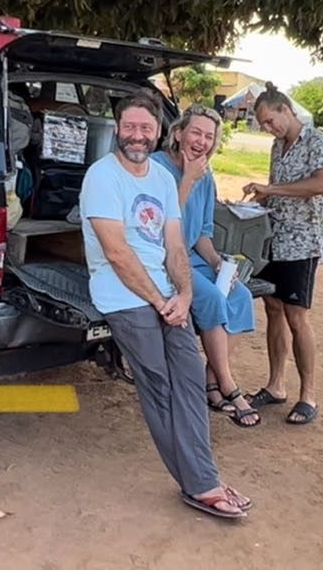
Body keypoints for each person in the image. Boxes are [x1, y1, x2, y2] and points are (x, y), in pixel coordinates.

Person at [79, 91, 251, 519]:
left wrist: (186, 294)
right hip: (123, 294)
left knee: (191, 378)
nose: (138, 135)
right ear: (118, 129)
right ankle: (201, 484)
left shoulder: (159, 179)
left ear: (159, 133)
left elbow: (175, 245)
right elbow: (117, 254)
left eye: (146, 128)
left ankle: (203, 475)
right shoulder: (102, 177)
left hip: (166, 295)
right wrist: (160, 300)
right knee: (160, 385)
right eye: (130, 127)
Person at [150, 104, 259, 428]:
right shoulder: (157, 167)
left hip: (195, 257)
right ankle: (228, 385)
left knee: (238, 296)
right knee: (211, 297)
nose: (201, 141)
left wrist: (217, 262)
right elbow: (158, 224)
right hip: (164, 257)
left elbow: (203, 234)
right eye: (195, 132)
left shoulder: (206, 175)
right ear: (179, 132)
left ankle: (211, 382)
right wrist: (187, 179)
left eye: (208, 136)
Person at [242, 82, 323, 425]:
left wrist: (273, 189)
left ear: (286, 109)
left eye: (271, 120)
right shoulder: (276, 147)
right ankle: (276, 384)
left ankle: (308, 395)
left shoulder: (318, 140)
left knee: (297, 317)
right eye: (264, 125)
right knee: (273, 308)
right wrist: (260, 198)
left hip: (303, 242)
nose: (270, 128)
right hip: (275, 240)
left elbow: (319, 184)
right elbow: (276, 190)